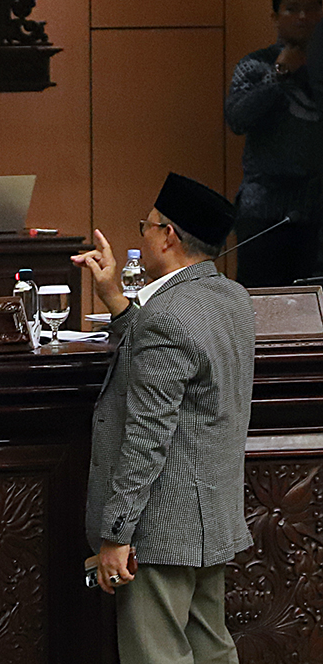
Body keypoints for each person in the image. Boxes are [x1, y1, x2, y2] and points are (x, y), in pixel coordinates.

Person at [72, 173, 255, 663]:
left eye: (146, 227)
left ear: (168, 235)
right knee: (212, 650)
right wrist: (116, 299)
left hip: (160, 531)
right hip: (209, 521)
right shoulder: (232, 298)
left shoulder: (166, 315)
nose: (143, 235)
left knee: (156, 656)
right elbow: (175, 352)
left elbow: (147, 437)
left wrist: (117, 534)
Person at [226, 0, 323, 287]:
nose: (303, 17)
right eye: (292, 9)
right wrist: (279, 75)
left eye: (313, 8)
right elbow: (237, 119)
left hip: (317, 212)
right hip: (264, 212)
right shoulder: (256, 64)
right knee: (262, 311)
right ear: (275, 16)